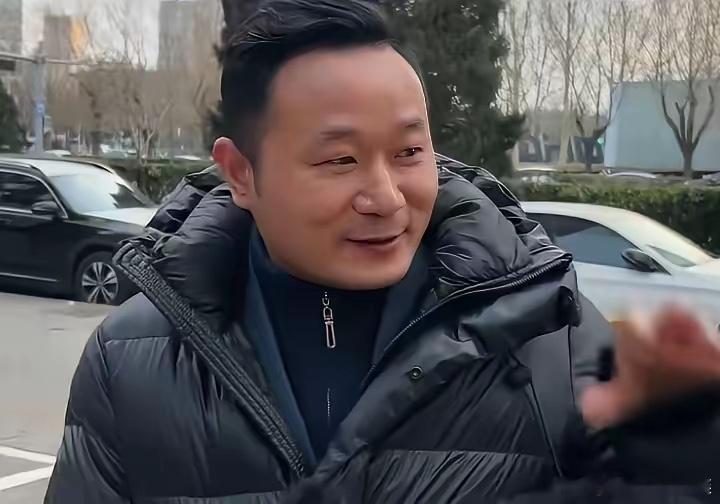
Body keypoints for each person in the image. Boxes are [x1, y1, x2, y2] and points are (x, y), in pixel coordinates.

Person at [45, 1, 720, 502]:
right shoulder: (130, 360)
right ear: (241, 173)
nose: (387, 197)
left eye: (409, 152)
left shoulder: (553, 338)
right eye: (339, 160)